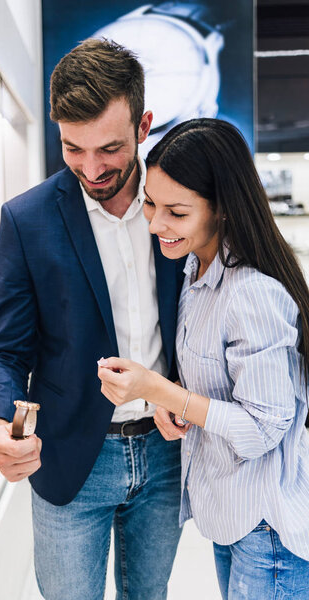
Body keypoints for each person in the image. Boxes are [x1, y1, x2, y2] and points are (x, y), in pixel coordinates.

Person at [0, 39, 186, 600]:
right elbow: (3, 352)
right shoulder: (26, 220)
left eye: (110, 149)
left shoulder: (184, 205)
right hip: (71, 459)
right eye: (73, 148)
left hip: (168, 456)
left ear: (144, 126)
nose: (91, 169)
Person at [98, 117, 309, 599]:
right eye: (150, 203)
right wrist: (171, 406)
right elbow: (217, 391)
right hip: (231, 519)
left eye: (176, 211)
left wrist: (157, 389)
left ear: (224, 210)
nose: (155, 224)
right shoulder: (195, 270)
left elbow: (261, 428)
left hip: (269, 529)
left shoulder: (252, 293)